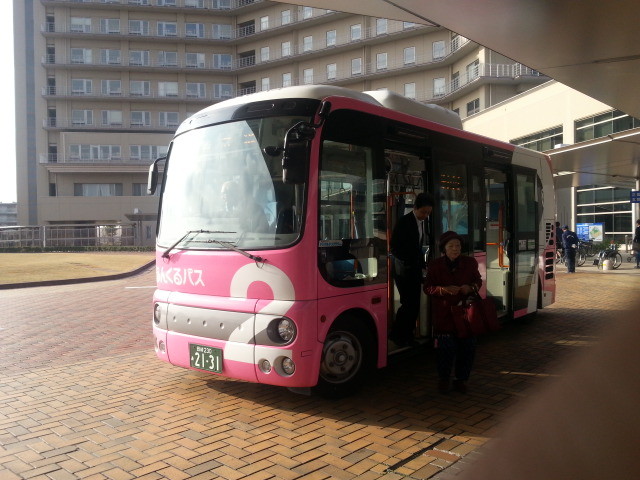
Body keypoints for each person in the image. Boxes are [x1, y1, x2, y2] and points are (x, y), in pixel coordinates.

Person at [424, 231, 482, 394]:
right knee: (445, 350)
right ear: (444, 249)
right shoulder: (435, 265)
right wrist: (444, 290)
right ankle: (443, 379)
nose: (455, 249)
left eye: (458, 246)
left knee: (467, 349)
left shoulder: (470, 263)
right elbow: (427, 288)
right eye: (451, 246)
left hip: (465, 314)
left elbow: (478, 281)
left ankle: (461, 380)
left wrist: (470, 288)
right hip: (445, 314)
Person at [389, 192, 434, 347]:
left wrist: (422, 266)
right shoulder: (404, 222)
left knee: (413, 303)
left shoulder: (422, 223)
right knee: (408, 303)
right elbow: (395, 247)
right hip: (403, 269)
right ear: (415, 208)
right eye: (423, 212)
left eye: (428, 213)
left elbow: (418, 247)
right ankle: (401, 335)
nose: (425, 215)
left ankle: (402, 334)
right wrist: (409, 261)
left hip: (414, 268)